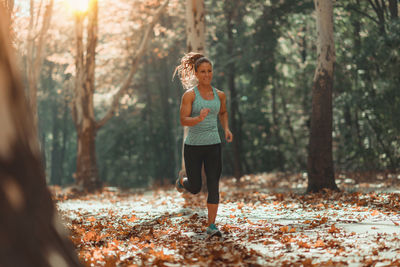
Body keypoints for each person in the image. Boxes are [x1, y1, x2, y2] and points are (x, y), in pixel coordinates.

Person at [173, 52, 233, 237]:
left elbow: (222, 112)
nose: (207, 75)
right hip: (193, 147)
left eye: (209, 71)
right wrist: (198, 118)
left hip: (213, 144)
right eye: (203, 71)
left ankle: (212, 225)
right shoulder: (190, 96)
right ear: (196, 74)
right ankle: (182, 182)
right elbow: (183, 120)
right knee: (196, 187)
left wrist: (226, 129)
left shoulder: (220, 95)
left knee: (214, 184)